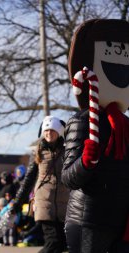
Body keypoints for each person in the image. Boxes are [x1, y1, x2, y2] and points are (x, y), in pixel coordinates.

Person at [62, 19, 129, 253]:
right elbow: (69, 177)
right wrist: (85, 162)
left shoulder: (127, 126)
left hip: (120, 223)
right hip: (88, 219)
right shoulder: (82, 122)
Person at [12, 115, 69, 253]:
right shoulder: (38, 152)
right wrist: (18, 202)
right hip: (44, 201)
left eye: (52, 130)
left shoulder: (66, 151)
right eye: (46, 130)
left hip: (63, 203)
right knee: (53, 242)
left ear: (59, 132)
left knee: (61, 245)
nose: (49, 133)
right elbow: (28, 180)